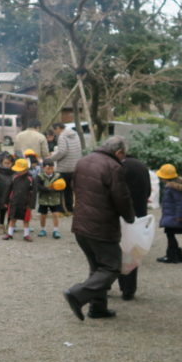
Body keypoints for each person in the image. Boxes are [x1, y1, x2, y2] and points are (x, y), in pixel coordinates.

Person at [62, 136, 135, 321]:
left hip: (81, 223)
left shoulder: (83, 161)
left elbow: (75, 187)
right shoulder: (113, 167)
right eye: (123, 155)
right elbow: (121, 197)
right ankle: (77, 294)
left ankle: (98, 308)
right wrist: (130, 217)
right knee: (112, 267)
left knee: (97, 268)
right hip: (101, 226)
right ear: (118, 152)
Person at [117, 153, 152, 301]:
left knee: (115, 250)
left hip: (120, 214)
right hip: (139, 213)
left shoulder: (118, 166)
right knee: (131, 251)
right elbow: (149, 191)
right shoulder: (142, 166)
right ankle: (129, 290)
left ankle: (105, 285)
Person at [154, 164, 182, 265]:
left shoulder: (173, 188)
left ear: (165, 178)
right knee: (170, 235)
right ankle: (177, 255)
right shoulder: (174, 186)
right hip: (172, 217)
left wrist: (180, 217)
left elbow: (181, 203)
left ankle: (172, 256)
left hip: (173, 218)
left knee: (170, 236)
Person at [50, 123, 82, 213]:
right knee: (69, 190)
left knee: (60, 189)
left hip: (64, 167)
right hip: (74, 167)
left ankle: (61, 210)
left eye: (54, 130)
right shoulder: (75, 134)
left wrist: (51, 158)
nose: (55, 133)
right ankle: (70, 208)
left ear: (58, 128)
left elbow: (62, 151)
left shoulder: (62, 137)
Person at [3, 158, 36, 241]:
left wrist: (31, 205)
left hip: (26, 203)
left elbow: (33, 193)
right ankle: (9, 234)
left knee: (26, 220)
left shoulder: (31, 179)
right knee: (12, 218)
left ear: (25, 169)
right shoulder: (14, 177)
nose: (18, 171)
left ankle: (26, 235)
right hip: (14, 202)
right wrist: (5, 201)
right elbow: (8, 190)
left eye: (20, 170)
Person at [36, 160, 64, 239]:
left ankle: (55, 230)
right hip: (43, 199)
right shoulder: (39, 176)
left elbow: (62, 186)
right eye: (48, 169)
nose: (49, 170)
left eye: (51, 168)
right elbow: (38, 186)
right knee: (43, 215)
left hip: (55, 199)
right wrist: (48, 189)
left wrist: (55, 189)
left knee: (55, 214)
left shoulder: (58, 176)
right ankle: (43, 229)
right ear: (43, 168)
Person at [0, 153, 14, 230]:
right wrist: (3, 153)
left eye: (8, 163)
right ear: (1, 162)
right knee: (2, 210)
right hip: (0, 193)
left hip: (10, 194)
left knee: (10, 210)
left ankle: (9, 225)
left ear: (12, 163)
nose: (7, 165)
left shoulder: (14, 171)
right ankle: (1, 225)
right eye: (5, 163)